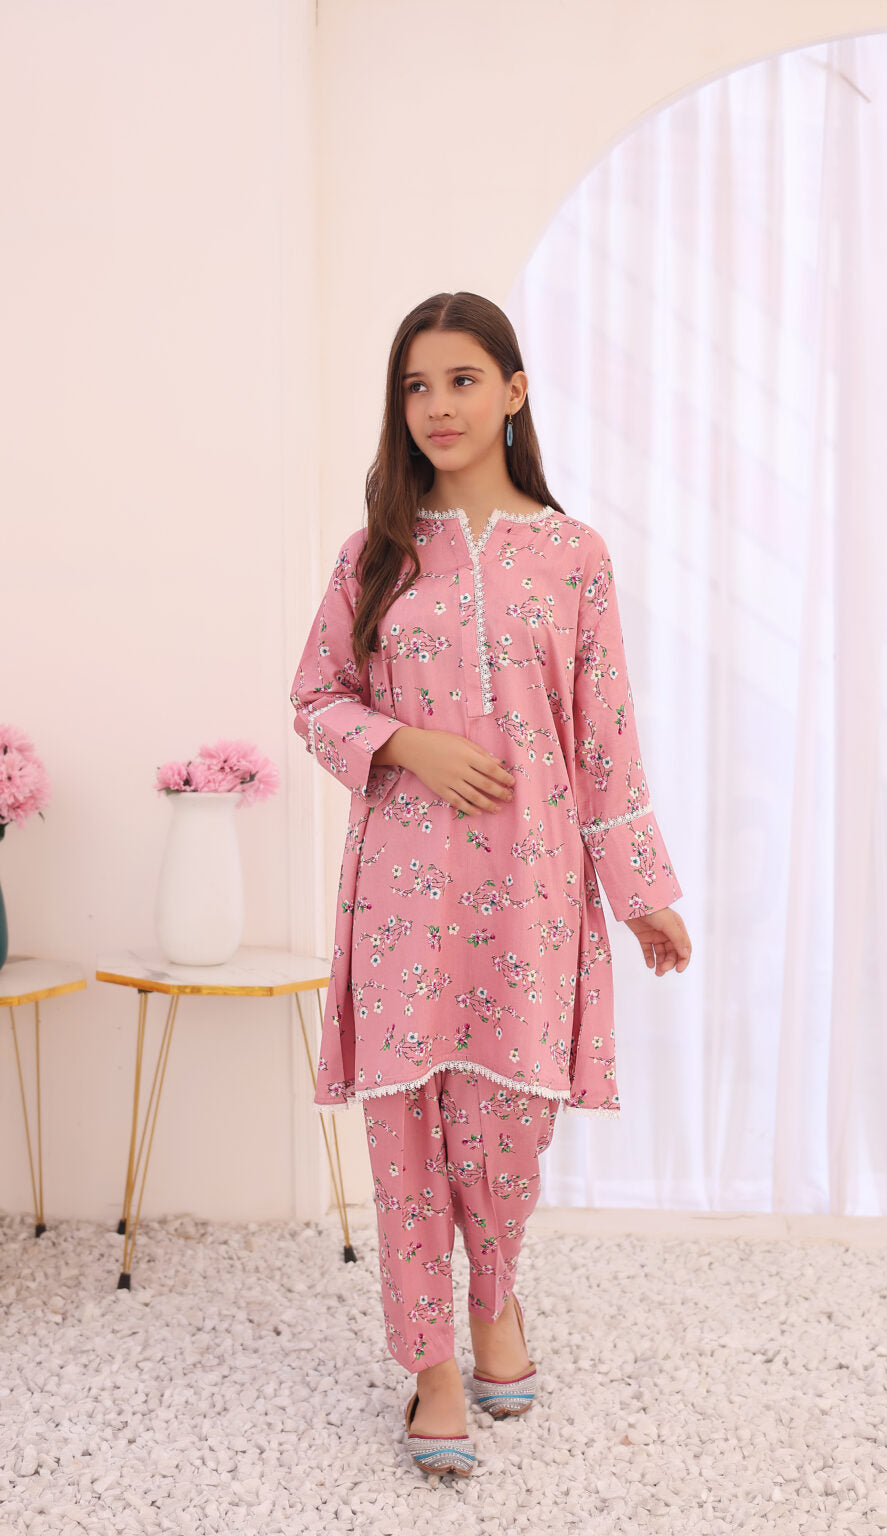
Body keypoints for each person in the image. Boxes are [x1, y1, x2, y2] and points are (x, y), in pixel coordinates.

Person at [289, 291, 692, 1477]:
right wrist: (405, 744)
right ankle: (431, 1368)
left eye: (461, 380)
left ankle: (495, 1293)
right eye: (416, 386)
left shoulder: (574, 557)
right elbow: (314, 698)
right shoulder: (373, 553)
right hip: (403, 895)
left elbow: (605, 737)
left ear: (512, 392)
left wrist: (640, 888)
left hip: (531, 891)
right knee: (407, 1133)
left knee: (506, 1131)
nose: (437, 406)